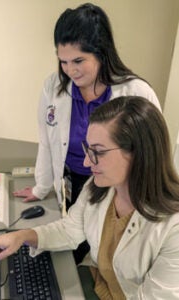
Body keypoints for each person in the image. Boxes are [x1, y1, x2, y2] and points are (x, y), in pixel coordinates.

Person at [0, 96, 179, 299]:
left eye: (98, 152)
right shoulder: (100, 187)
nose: (88, 163)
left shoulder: (173, 228)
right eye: (88, 149)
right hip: (97, 282)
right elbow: (70, 229)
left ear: (138, 153)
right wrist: (22, 236)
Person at [13, 2, 161, 264]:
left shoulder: (136, 93)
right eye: (64, 61)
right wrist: (41, 187)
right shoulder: (54, 87)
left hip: (120, 185)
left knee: (115, 250)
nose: (71, 70)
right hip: (72, 179)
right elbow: (46, 141)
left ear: (102, 53)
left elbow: (154, 153)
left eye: (79, 60)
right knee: (75, 239)